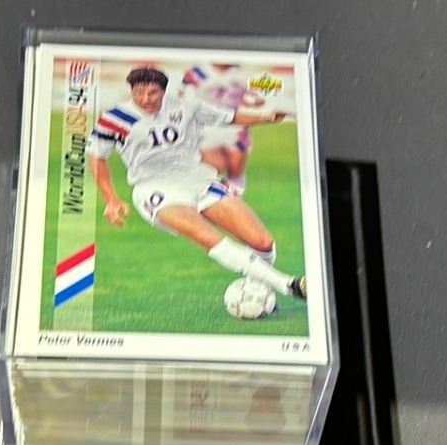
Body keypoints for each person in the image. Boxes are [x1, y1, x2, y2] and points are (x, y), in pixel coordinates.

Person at [91, 66, 307, 301]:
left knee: (262, 242)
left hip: (197, 179)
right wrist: (111, 199)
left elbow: (229, 117)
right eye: (138, 93)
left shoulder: (186, 107)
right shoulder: (114, 118)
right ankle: (290, 285)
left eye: (152, 93)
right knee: (208, 237)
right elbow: (98, 157)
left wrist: (267, 117)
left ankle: (256, 293)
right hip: (154, 188)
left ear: (164, 91)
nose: (145, 99)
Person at [180, 62, 265, 195]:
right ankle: (207, 198)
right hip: (206, 128)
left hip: (233, 126)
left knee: (235, 171)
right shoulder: (198, 73)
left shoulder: (242, 75)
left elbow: (257, 98)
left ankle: (235, 201)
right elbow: (184, 97)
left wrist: (252, 100)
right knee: (212, 170)